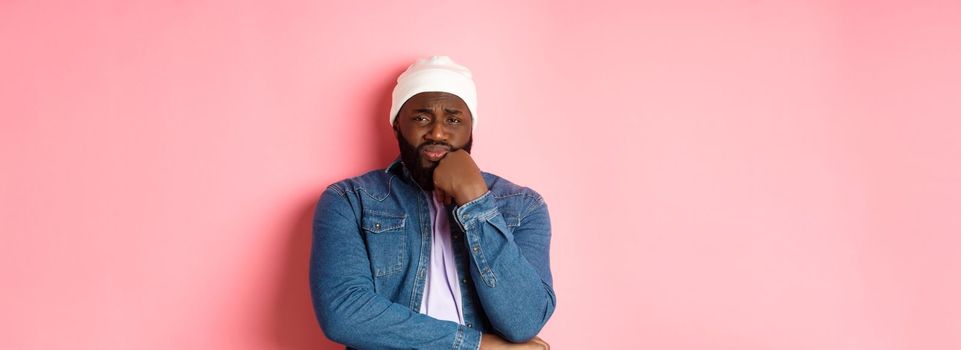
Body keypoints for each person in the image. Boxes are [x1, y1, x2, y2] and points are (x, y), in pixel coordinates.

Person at [310, 56, 555, 350]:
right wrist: (477, 346)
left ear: (471, 128)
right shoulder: (350, 200)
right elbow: (345, 314)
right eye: (421, 117)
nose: (437, 132)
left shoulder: (522, 206)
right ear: (397, 125)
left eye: (453, 120)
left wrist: (476, 200)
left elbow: (523, 322)